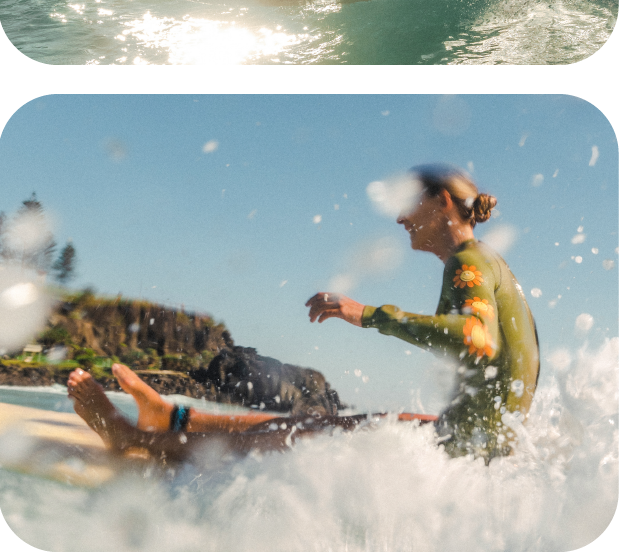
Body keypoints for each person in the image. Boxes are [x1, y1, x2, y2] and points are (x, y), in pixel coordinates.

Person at [68, 164, 538, 462]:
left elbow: (477, 337)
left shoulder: (468, 264)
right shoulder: (488, 264)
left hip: (465, 455)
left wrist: (367, 313)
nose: (399, 218)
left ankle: (135, 440)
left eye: (407, 204)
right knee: (313, 423)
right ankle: (173, 418)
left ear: (440, 204)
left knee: (295, 438)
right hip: (475, 445)